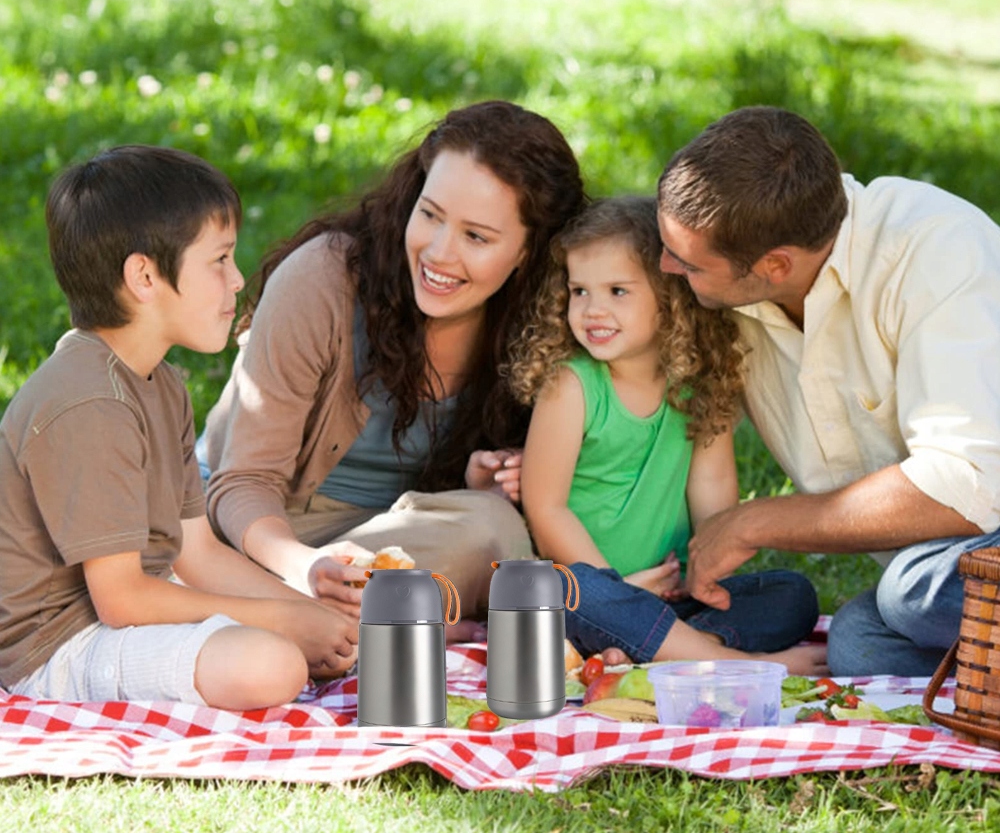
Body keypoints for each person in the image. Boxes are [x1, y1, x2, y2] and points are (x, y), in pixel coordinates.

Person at [202, 100, 587, 629]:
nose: (438, 253)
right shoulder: (323, 280)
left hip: (392, 544)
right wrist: (306, 566)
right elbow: (241, 482)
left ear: (529, 252)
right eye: (429, 215)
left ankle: (317, 620)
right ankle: (341, 616)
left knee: (494, 528)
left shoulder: (548, 325)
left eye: (476, 236)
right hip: (263, 531)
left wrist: (480, 483)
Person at [0, 146, 358, 709]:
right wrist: (284, 621)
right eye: (219, 261)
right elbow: (120, 599)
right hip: (57, 647)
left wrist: (309, 613)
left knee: (296, 634)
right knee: (272, 661)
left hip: (131, 611)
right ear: (144, 275)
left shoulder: (160, 384)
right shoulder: (89, 402)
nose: (237, 280)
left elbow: (199, 554)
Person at [657, 105, 1000, 676]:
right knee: (861, 644)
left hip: (978, 528)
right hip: (955, 562)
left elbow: (969, 484)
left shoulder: (938, 250)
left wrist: (753, 521)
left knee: (910, 595)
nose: (665, 266)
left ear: (775, 264)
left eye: (688, 263)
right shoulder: (740, 280)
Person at [509, 196, 823, 673]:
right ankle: (741, 664)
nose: (592, 309)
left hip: (670, 596)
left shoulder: (700, 384)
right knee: (567, 593)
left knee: (792, 595)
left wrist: (707, 575)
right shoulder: (571, 385)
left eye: (617, 291)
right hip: (590, 595)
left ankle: (668, 648)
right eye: (579, 291)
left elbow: (712, 489)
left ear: (670, 297)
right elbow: (545, 507)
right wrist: (617, 587)